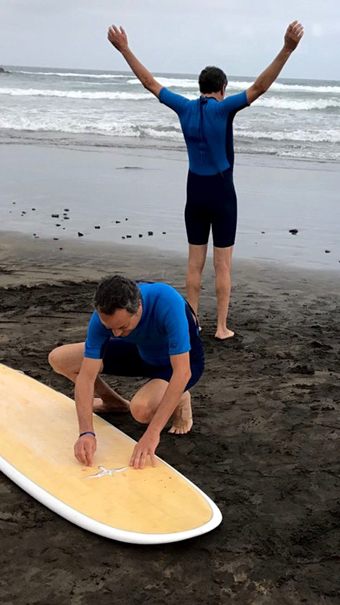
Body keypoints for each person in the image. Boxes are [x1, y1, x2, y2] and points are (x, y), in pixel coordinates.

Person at [107, 21, 304, 340]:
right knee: (222, 265)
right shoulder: (225, 109)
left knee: (194, 263)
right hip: (222, 194)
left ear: (201, 87)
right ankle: (222, 327)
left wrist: (125, 49)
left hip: (194, 193)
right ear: (223, 88)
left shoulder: (184, 108)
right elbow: (260, 87)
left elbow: (149, 82)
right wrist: (287, 49)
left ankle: (192, 322)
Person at [48, 275, 204, 470]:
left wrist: (152, 433)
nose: (115, 335)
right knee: (60, 359)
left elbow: (182, 372)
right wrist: (86, 432)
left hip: (180, 363)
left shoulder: (166, 301)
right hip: (142, 352)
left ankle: (179, 396)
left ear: (138, 308)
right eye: (109, 328)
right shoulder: (105, 319)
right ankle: (113, 403)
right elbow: (86, 377)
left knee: (141, 410)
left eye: (122, 327)